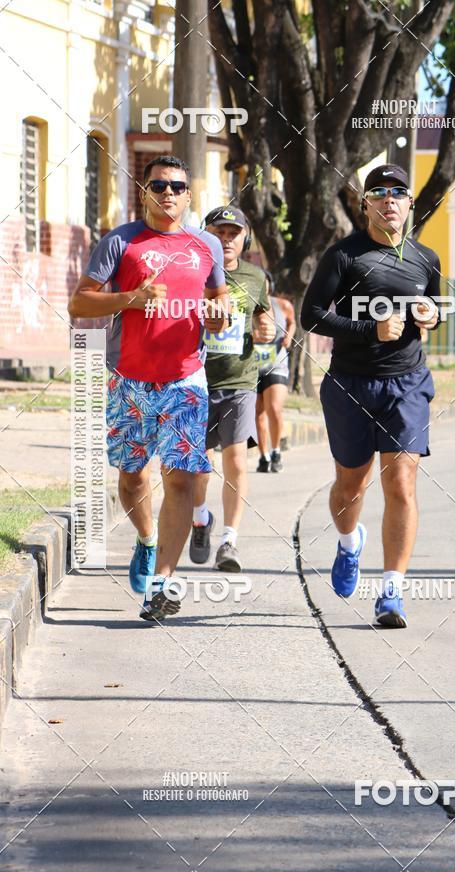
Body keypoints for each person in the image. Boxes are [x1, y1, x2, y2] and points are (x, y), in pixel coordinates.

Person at [68, 155, 228, 621]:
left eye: (178, 186)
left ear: (189, 194)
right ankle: (145, 538)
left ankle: (163, 583)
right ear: (145, 190)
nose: (169, 193)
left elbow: (219, 298)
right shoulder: (120, 242)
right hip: (128, 378)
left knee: (180, 478)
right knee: (133, 476)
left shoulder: (207, 247)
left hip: (186, 377)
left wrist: (220, 315)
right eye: (159, 184)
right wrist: (132, 299)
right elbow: (81, 301)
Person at [301, 163, 441, 629]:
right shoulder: (344, 256)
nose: (389, 201)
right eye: (378, 193)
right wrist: (370, 329)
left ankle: (392, 592)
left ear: (409, 204)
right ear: (365, 205)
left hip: (408, 383)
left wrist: (431, 316)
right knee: (350, 487)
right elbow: (312, 316)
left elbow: (435, 310)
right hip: (350, 384)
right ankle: (348, 542)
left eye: (397, 193)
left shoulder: (426, 259)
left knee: (400, 482)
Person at [188, 206, 275, 572]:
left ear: (245, 239)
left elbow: (263, 315)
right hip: (195, 379)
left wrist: (266, 327)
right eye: (219, 232)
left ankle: (229, 540)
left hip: (239, 380)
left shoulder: (256, 277)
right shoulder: (192, 273)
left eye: (233, 233)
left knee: (236, 458)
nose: (226, 239)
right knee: (198, 466)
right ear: (205, 235)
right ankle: (200, 518)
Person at [255, 272, 296, 473]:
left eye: (265, 283)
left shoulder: (282, 305)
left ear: (270, 284)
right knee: (258, 413)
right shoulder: (246, 305)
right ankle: (263, 456)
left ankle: (276, 450)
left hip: (276, 362)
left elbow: (292, 321)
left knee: (274, 408)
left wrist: (289, 336)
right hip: (252, 365)